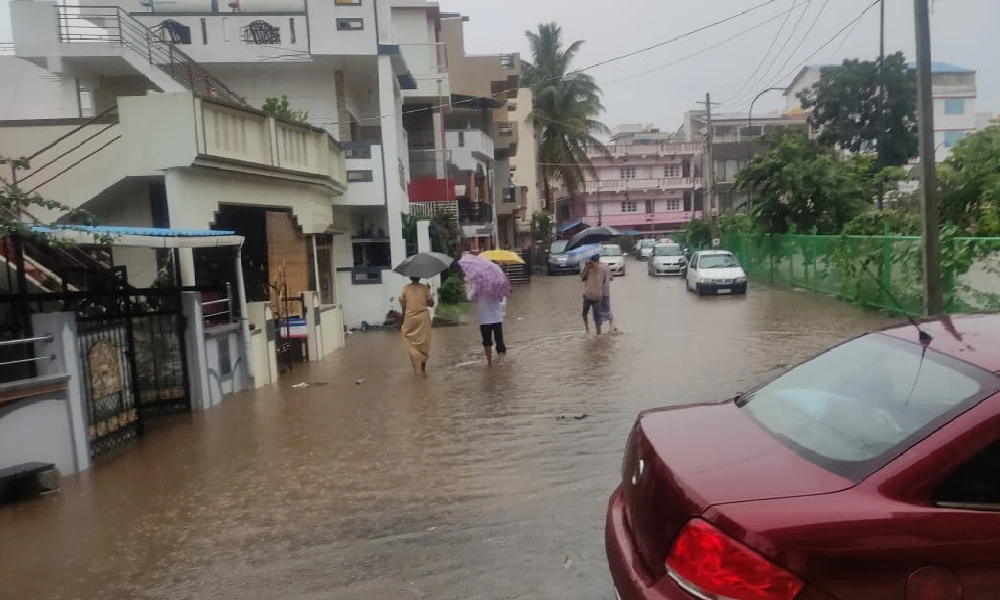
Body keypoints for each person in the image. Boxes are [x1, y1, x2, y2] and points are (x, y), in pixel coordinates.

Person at [399, 276, 435, 373]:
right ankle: (423, 369)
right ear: (419, 277)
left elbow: (403, 306)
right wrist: (429, 292)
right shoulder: (424, 288)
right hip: (423, 318)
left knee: (410, 342)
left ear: (410, 277)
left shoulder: (405, 288)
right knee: (424, 343)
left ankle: (415, 369)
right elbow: (431, 304)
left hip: (410, 318)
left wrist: (402, 319)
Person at [468, 280, 507, 367]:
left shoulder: (477, 285)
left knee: (487, 341)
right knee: (499, 339)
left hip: (485, 318)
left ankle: (489, 363)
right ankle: (501, 361)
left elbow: (469, 297)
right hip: (496, 317)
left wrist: (474, 291)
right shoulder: (497, 285)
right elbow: (502, 298)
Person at [581, 254, 609, 335]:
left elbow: (582, 278)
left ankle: (587, 331)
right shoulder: (604, 268)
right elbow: (603, 281)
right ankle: (598, 333)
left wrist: (587, 267)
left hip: (588, 294)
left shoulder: (588, 268)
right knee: (597, 316)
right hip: (598, 295)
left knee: (584, 313)